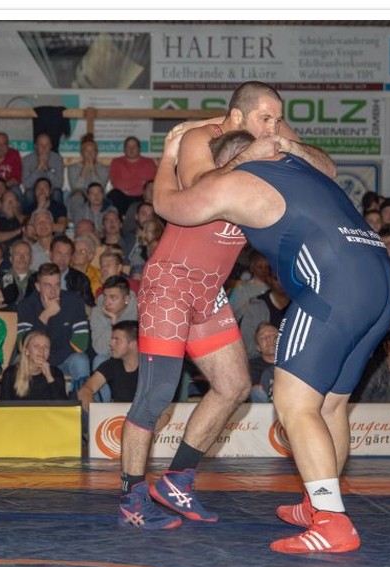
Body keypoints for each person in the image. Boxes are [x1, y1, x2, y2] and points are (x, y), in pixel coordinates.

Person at [153, 127, 390, 554]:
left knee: (293, 404)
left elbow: (168, 205)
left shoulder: (236, 181)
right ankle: (317, 501)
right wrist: (284, 142)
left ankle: (332, 522)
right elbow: (329, 164)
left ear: (230, 161)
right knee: (330, 404)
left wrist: (170, 157)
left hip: (333, 285)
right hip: (381, 284)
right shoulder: (306, 169)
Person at [116, 81, 336, 535]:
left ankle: (177, 480)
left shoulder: (265, 138)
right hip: (170, 283)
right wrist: (243, 151)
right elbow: (201, 188)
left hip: (209, 289)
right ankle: (132, 497)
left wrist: (280, 141)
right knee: (156, 395)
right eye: (266, 119)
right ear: (238, 117)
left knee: (234, 384)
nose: (274, 128)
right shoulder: (204, 140)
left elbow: (326, 169)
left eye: (278, 119)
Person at [16, 262, 91, 392]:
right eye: (47, 285)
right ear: (38, 287)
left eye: (57, 285)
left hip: (65, 359)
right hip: (35, 360)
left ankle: (80, 403)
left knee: (81, 361)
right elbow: (22, 345)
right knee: (18, 362)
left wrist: (50, 361)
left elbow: (81, 343)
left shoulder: (74, 301)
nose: (53, 291)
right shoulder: (26, 306)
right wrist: (46, 315)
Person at [78, 321, 140, 412]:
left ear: (133, 344)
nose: (110, 344)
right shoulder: (111, 365)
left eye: (116, 340)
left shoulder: (151, 368)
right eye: (112, 339)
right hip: (118, 416)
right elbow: (86, 390)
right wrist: (95, 413)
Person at [0, 331, 68, 401]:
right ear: (27, 351)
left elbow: (63, 405)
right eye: (36, 346)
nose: (41, 350)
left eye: (46, 347)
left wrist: (49, 377)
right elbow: (5, 404)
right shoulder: (10, 374)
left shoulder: (56, 373)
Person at [108, 136, 157, 215]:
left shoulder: (149, 163)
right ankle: (121, 218)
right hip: (123, 197)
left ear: (139, 149)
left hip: (142, 197)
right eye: (128, 147)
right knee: (113, 194)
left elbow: (149, 185)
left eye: (134, 146)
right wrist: (139, 181)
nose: (131, 149)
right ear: (124, 149)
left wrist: (127, 182)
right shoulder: (116, 162)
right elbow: (117, 184)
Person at [67, 134, 110, 216]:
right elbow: (75, 187)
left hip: (97, 195)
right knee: (76, 197)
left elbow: (100, 187)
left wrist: (93, 169)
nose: (90, 153)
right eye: (86, 151)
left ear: (96, 153)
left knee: (98, 196)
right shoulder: (72, 168)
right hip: (80, 194)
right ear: (82, 153)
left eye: (92, 151)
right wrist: (84, 169)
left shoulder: (104, 169)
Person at [22, 133, 65, 210]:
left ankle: (58, 216)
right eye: (41, 145)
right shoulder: (27, 159)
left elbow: (58, 184)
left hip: (50, 190)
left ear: (51, 146)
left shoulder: (57, 159)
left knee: (57, 193)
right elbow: (26, 184)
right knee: (29, 193)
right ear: (35, 146)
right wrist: (38, 168)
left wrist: (47, 169)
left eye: (47, 145)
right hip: (35, 190)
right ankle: (30, 217)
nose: (44, 148)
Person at [248, 322, 278, 403]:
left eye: (272, 335)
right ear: (258, 347)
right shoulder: (249, 367)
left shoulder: (294, 363)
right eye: (262, 337)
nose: (268, 339)